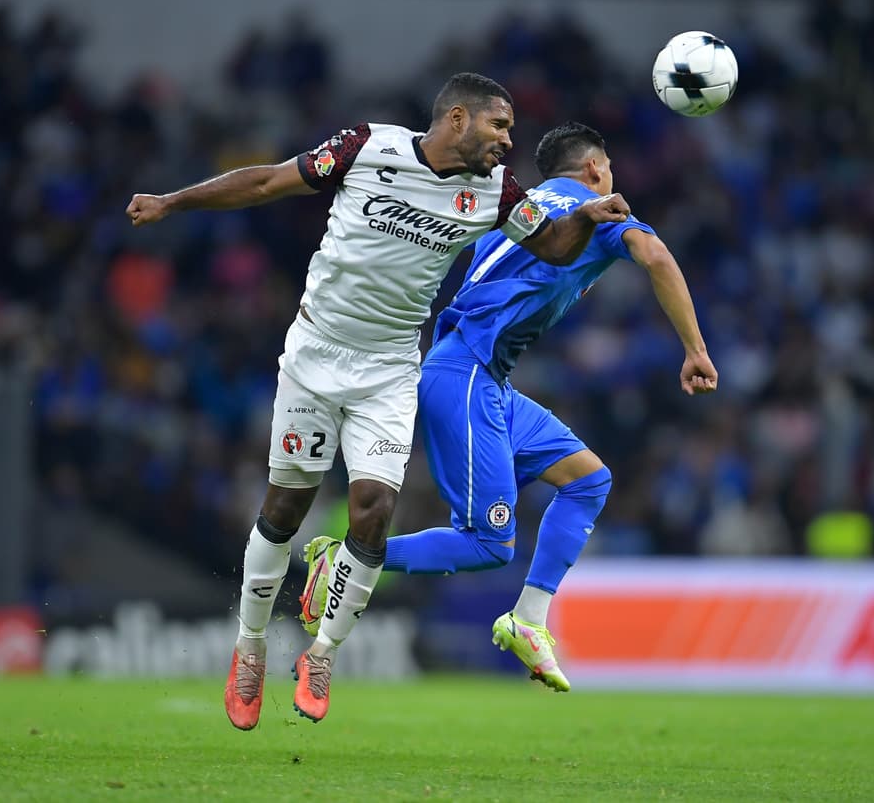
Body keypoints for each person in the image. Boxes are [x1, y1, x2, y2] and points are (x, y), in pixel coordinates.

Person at [125, 74, 632, 730]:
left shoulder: (498, 192)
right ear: (457, 118)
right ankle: (249, 645)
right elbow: (266, 182)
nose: (509, 142)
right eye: (499, 127)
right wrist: (173, 201)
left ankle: (323, 652)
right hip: (313, 358)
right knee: (285, 506)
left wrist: (584, 218)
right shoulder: (367, 147)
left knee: (373, 508)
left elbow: (552, 245)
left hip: (389, 371)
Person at [298, 122, 718, 690]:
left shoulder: (525, 206)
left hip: (482, 376)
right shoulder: (595, 207)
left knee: (589, 480)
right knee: (488, 543)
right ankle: (344, 559)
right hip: (464, 372)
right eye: (609, 169)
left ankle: (528, 619)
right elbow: (658, 256)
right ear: (595, 169)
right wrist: (695, 349)